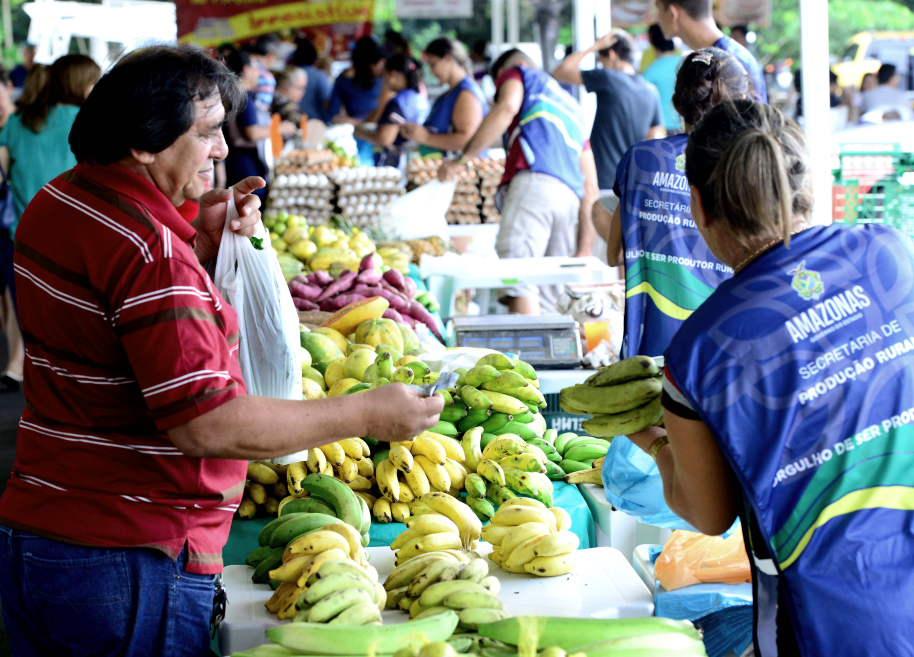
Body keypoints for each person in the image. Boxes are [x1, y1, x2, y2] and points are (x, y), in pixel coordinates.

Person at [0, 45, 443, 656]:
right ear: (143, 144)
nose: (222, 151)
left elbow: (111, 332)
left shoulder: (59, 203)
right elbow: (206, 422)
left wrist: (195, 238)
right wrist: (368, 414)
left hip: (43, 534)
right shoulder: (151, 255)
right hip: (131, 561)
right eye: (206, 133)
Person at [627, 98, 914, 655]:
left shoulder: (700, 350)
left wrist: (649, 439)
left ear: (699, 207)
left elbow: (709, 513)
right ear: (806, 184)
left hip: (843, 623)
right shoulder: (890, 251)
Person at [606, 47, 749, 359]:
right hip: (726, 348)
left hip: (652, 359)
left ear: (677, 101)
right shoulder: (743, 165)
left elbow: (615, 253)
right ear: (740, 102)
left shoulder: (641, 160)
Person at [439, 49, 588, 315]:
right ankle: (557, 357)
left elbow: (507, 107)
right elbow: (591, 184)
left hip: (535, 184)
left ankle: (526, 358)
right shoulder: (571, 107)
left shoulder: (520, 73)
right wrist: (584, 249)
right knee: (551, 291)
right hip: (569, 199)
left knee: (519, 278)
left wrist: (463, 159)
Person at [553, 31, 665, 192]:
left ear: (612, 55)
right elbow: (656, 136)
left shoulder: (608, 78)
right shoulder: (651, 90)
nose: (601, 64)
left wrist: (594, 47)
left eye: (601, 59)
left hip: (604, 179)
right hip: (633, 182)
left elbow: (562, 72)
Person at [0, 54, 100, 233]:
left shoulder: (16, 121)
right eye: (95, 83)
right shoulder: (91, 122)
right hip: (74, 233)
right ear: (81, 85)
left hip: (23, 235)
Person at [654, 0, 767, 102]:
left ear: (672, 13)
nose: (657, 18)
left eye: (658, 9)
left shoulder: (730, 63)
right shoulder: (723, 56)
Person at [400, 38, 487, 157]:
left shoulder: (466, 94)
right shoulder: (450, 94)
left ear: (448, 59)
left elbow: (468, 140)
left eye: (433, 64)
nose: (432, 71)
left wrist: (426, 138)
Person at [356, 54, 428, 168]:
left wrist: (360, 133)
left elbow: (385, 139)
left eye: (385, 76)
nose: (384, 81)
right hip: (415, 159)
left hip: (394, 163)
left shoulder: (397, 103)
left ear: (392, 75)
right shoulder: (419, 99)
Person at [328, 36, 386, 164]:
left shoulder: (384, 80)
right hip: (359, 138)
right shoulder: (345, 80)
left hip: (381, 137)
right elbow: (332, 115)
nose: (380, 68)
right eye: (376, 64)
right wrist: (357, 123)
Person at [222, 48, 270, 200]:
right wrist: (280, 129)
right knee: (248, 200)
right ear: (247, 70)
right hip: (244, 161)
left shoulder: (232, 94)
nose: (259, 73)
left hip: (234, 159)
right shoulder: (244, 97)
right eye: (256, 68)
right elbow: (252, 133)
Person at [643, 24, 684, 133]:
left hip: (662, 129)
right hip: (687, 125)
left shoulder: (651, 72)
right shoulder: (686, 63)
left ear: (651, 41)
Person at [290, 36, 333, 123]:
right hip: (315, 124)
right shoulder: (320, 76)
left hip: (292, 121)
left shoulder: (290, 73)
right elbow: (327, 101)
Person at [272, 67, 306, 138]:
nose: (303, 93)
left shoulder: (276, 97)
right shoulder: (282, 103)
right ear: (286, 86)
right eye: (300, 88)